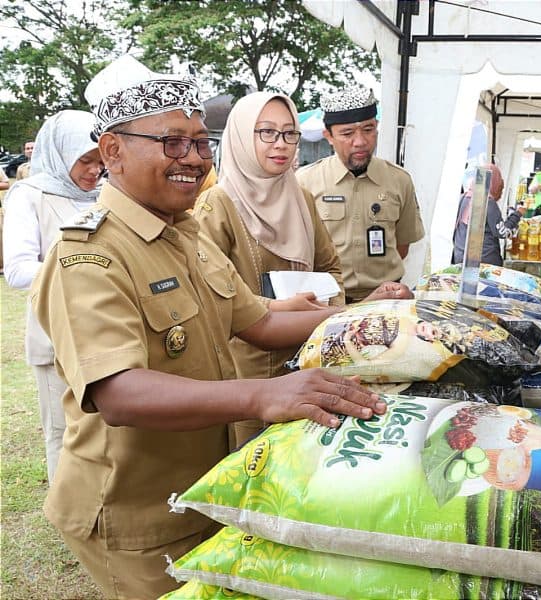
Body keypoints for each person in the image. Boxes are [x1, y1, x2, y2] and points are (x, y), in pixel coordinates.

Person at [30, 55, 386, 599]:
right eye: (172, 143)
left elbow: (262, 321)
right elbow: (119, 392)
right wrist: (263, 396)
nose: (193, 160)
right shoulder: (88, 255)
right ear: (113, 151)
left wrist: (369, 316)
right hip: (136, 515)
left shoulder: (187, 235)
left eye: (201, 144)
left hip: (199, 491)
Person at [197, 91, 413, 448]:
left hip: (308, 358)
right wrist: (276, 310)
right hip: (248, 375)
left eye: (289, 133)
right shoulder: (216, 207)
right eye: (266, 132)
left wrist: (324, 307)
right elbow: (211, 297)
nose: (280, 145)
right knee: (252, 465)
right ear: (240, 136)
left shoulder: (300, 198)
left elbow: (330, 265)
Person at [2, 110, 104, 484]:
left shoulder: (102, 195)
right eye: (86, 160)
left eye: (101, 160)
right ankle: (68, 513)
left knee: (101, 430)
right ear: (61, 154)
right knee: (63, 434)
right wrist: (85, 270)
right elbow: (17, 269)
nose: (95, 170)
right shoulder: (30, 195)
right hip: (55, 336)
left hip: (103, 330)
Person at [296, 84, 425, 302]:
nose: (360, 142)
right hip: (326, 303)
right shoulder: (305, 182)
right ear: (328, 135)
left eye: (368, 129)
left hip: (386, 302)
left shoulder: (399, 180)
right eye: (347, 133)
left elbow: (402, 246)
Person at [451, 163, 524, 266]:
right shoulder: (488, 203)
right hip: (484, 262)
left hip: (460, 259)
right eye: (500, 186)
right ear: (493, 182)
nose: (500, 190)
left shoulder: (464, 198)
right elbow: (502, 233)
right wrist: (517, 214)